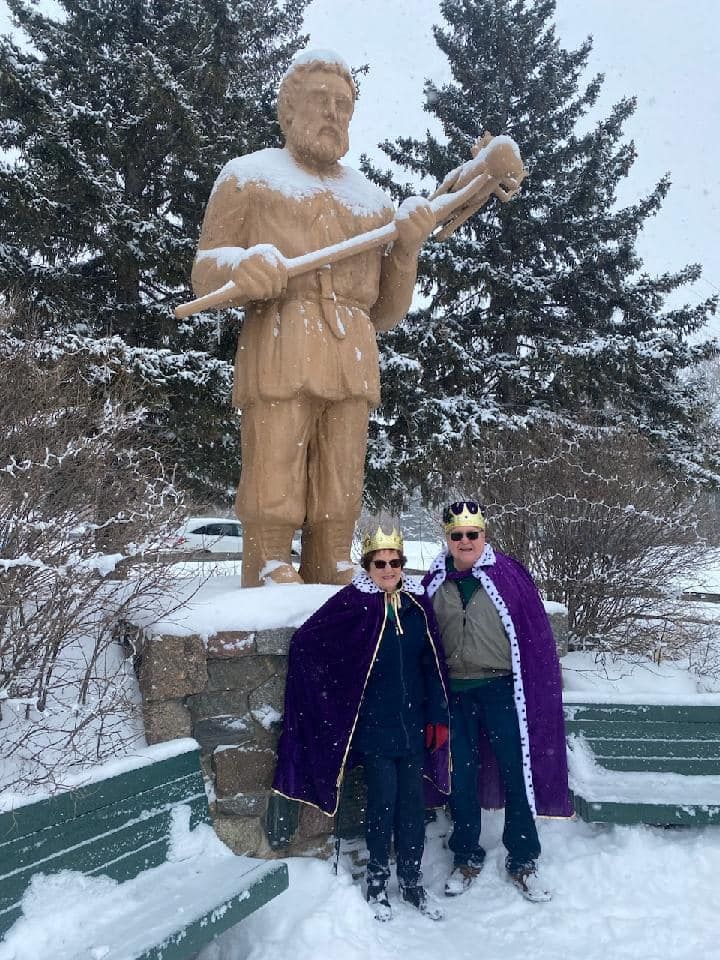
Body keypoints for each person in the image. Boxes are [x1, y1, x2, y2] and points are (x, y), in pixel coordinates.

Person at [190, 50, 435, 587]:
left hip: (351, 347)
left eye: (343, 105)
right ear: (288, 111)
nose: (333, 114)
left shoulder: (372, 203)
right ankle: (270, 558)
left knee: (342, 469)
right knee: (276, 455)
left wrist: (408, 249)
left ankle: (332, 557)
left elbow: (387, 311)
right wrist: (242, 265)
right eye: (320, 101)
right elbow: (205, 271)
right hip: (281, 336)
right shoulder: (248, 178)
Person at [273, 526, 450, 922]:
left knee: (411, 807)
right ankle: (376, 881)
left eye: (395, 563)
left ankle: (411, 881)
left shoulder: (417, 606)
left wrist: (438, 715)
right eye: (380, 563)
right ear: (367, 566)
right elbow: (307, 641)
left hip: (413, 724)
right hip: (374, 728)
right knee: (382, 804)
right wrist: (336, 699)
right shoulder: (354, 604)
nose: (388, 569)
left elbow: (433, 665)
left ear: (403, 565)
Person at [423, 500, 572, 903]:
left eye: (472, 534)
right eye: (457, 535)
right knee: (463, 776)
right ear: (448, 539)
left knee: (516, 773)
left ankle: (523, 858)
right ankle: (466, 855)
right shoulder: (434, 581)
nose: (465, 541)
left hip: (503, 691)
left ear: (483, 536)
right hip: (455, 694)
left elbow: (534, 634)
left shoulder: (508, 574)